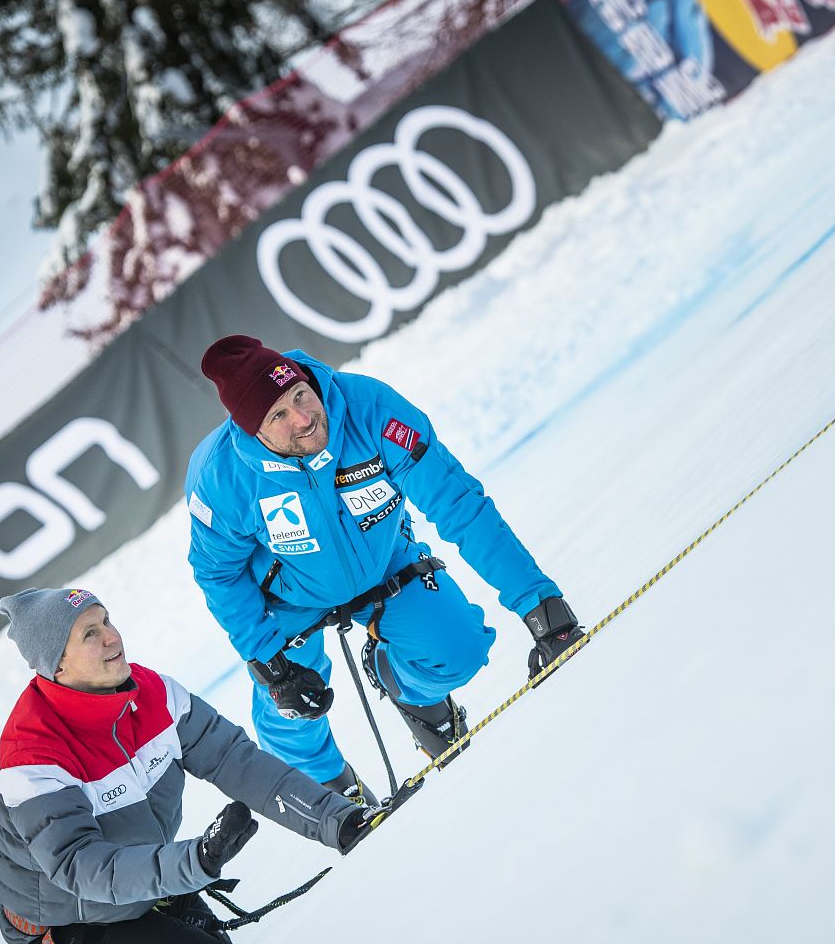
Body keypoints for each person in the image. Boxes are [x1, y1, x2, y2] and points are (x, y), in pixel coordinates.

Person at [184, 335, 585, 797]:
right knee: (292, 711)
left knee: (460, 649)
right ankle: (333, 794)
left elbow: (459, 505)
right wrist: (270, 662)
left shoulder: (372, 409)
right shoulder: (220, 478)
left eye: (300, 395)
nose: (303, 417)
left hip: (383, 558)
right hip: (287, 597)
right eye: (278, 415)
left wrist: (540, 604)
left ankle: (402, 683)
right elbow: (219, 572)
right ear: (255, 432)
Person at [0, 586, 379, 944]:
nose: (112, 638)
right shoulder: (31, 755)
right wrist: (195, 862)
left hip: (152, 877)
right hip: (70, 917)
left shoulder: (153, 694)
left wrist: (340, 821)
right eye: (90, 634)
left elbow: (238, 762)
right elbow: (80, 866)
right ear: (56, 665)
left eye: (107, 620)